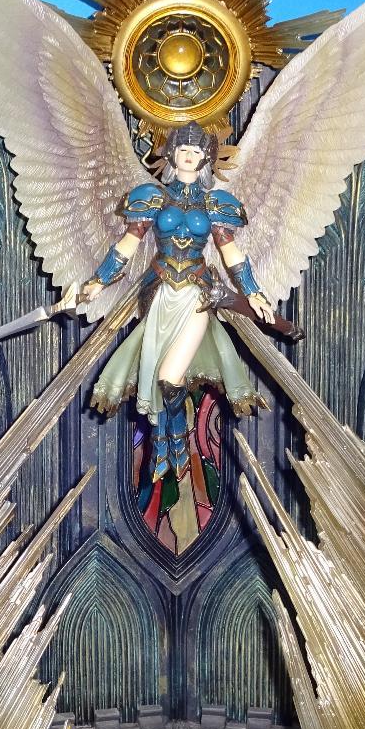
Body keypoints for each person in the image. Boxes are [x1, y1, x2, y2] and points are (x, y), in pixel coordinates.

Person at [81, 122, 276, 482]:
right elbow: (127, 245)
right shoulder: (152, 197)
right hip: (160, 293)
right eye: (183, 148)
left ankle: (175, 440)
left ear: (206, 158)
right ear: (171, 154)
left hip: (197, 294)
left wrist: (253, 291)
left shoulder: (215, 203)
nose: (189, 154)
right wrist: (98, 281)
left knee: (169, 378)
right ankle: (166, 444)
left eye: (197, 150)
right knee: (161, 376)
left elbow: (231, 253)